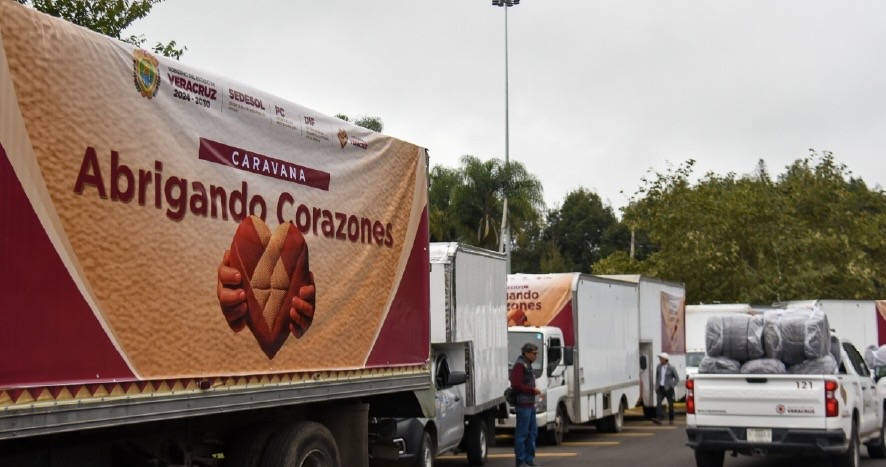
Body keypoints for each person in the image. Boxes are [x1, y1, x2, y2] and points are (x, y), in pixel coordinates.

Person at [510, 343, 542, 467]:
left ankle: (529, 459)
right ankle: (521, 461)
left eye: (536, 353)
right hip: (523, 404)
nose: (536, 356)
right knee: (522, 434)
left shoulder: (527, 364)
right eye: (534, 353)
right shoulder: (520, 365)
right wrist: (532, 390)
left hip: (530, 404)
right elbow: (516, 385)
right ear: (526, 353)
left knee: (532, 433)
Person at [652, 352, 679, 425]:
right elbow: (657, 377)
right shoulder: (658, 366)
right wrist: (656, 386)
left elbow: (677, 378)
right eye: (660, 358)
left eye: (661, 358)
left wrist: (671, 386)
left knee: (670, 404)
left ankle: (671, 419)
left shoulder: (671, 368)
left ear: (665, 359)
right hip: (660, 388)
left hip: (668, 389)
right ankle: (659, 418)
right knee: (658, 402)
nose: (660, 360)